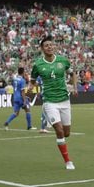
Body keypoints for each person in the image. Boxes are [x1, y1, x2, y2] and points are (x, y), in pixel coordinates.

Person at [28, 36, 78, 170]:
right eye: (46, 45)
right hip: (49, 102)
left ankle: (64, 149)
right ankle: (68, 161)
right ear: (42, 49)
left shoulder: (63, 60)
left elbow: (72, 74)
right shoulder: (38, 65)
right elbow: (32, 81)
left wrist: (74, 87)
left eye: (51, 45)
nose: (49, 47)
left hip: (64, 100)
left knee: (66, 133)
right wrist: (29, 89)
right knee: (59, 131)